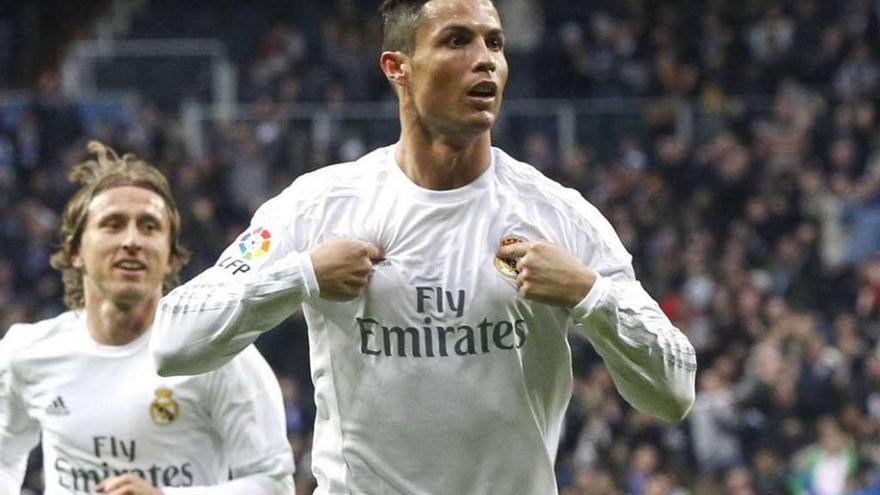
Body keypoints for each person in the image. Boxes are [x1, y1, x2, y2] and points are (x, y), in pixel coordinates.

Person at [150, 0, 697, 493]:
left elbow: (674, 390)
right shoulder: (319, 206)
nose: (485, 59)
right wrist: (303, 276)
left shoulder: (558, 215)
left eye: (495, 43)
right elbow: (173, 341)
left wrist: (588, 293)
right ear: (398, 68)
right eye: (458, 40)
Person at [0, 141, 296, 494]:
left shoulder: (219, 355)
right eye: (112, 224)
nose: (132, 241)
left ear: (171, 257)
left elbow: (275, 484)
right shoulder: (26, 351)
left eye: (149, 227)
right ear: (76, 251)